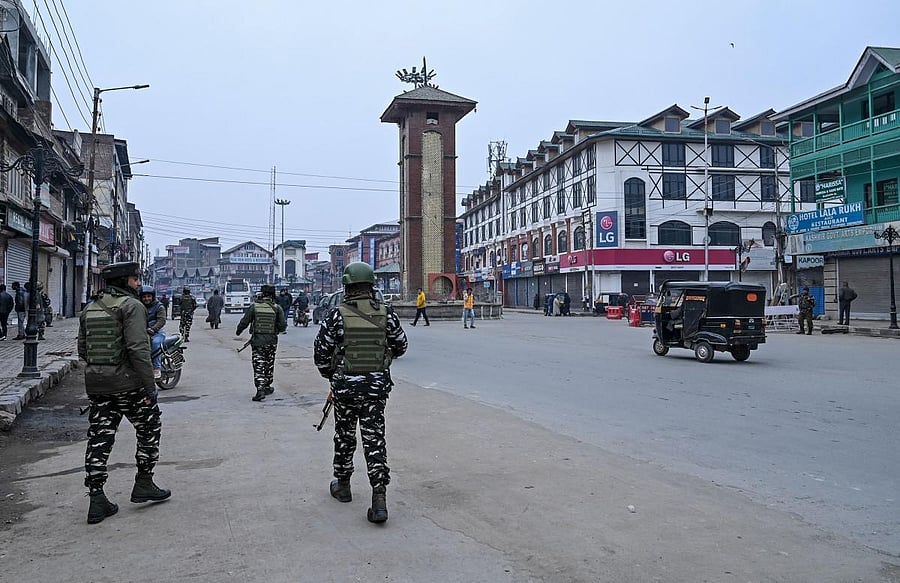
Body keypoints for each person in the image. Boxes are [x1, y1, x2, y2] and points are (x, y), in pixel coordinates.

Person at [313, 262, 408, 524]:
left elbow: (320, 354)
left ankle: (343, 486)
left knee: (344, 436)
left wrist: (333, 377)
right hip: (375, 389)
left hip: (345, 389)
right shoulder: (387, 314)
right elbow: (401, 346)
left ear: (347, 287)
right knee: (374, 439)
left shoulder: (335, 315)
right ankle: (379, 500)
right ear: (371, 285)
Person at [77, 261, 170, 525]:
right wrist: (149, 386)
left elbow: (82, 349)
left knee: (99, 438)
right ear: (124, 281)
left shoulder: (90, 308)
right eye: (135, 279)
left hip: (97, 384)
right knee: (149, 428)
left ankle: (96, 499)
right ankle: (144, 483)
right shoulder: (132, 307)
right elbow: (139, 350)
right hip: (128, 386)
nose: (138, 284)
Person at [236, 284, 286, 402]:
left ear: (262, 294)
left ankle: (260, 390)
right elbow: (283, 326)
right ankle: (267, 386)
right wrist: (275, 330)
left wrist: (238, 331)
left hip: (258, 341)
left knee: (259, 365)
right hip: (272, 341)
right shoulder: (277, 308)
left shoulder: (254, 307)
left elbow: (245, 321)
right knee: (269, 363)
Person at [140, 286, 167, 380]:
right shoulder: (139, 306)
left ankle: (157, 368)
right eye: (144, 297)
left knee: (155, 343)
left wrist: (153, 329)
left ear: (153, 296)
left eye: (148, 296)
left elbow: (162, 320)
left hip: (157, 333)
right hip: (143, 333)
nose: (146, 299)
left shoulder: (159, 306)